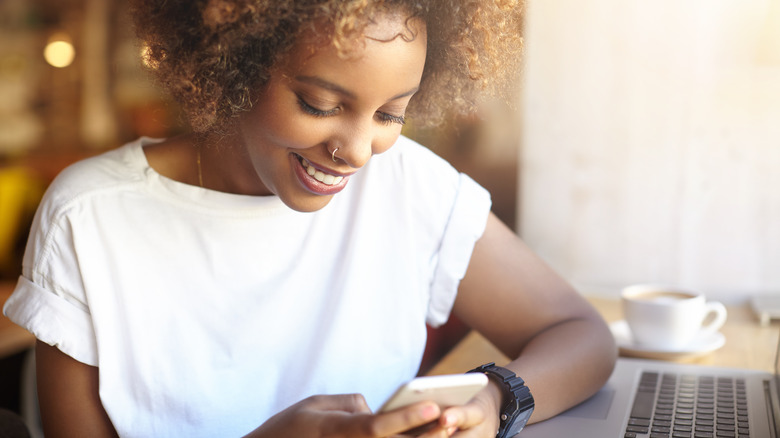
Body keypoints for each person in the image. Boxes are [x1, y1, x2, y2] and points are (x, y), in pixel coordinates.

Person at [3, 0, 617, 437]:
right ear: (231, 61)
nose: (356, 151)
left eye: (390, 114)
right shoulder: (89, 216)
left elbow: (581, 336)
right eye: (321, 104)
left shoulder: (408, 184)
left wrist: (495, 399)